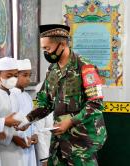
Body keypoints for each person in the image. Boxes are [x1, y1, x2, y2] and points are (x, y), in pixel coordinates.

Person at [18, 24, 107, 165]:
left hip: (81, 144)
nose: (46, 53)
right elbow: (44, 103)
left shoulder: (85, 67)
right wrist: (28, 119)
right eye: (43, 49)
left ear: (63, 44)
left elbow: (95, 104)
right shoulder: (51, 70)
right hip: (59, 143)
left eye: (48, 48)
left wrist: (70, 122)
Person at [0, 57, 26, 166]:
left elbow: (18, 120)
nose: (13, 79)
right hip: (3, 151)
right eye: (9, 76)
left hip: (18, 150)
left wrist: (24, 127)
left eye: (15, 75)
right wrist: (12, 138)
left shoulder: (14, 96)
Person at [9, 59, 38, 166]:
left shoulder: (27, 97)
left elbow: (32, 121)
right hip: (17, 145)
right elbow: (11, 124)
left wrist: (35, 134)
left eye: (29, 75)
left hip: (29, 145)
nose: (28, 79)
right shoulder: (10, 95)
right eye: (25, 75)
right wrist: (21, 139)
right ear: (15, 75)